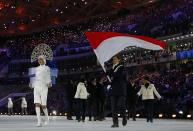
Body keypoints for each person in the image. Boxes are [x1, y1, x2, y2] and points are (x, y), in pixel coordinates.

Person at [30, 55, 52, 127]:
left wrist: (49, 83)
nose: (39, 60)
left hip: (44, 87)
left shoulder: (47, 68)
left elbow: (48, 76)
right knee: (37, 104)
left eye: (41, 59)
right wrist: (32, 85)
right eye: (38, 60)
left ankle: (47, 118)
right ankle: (39, 122)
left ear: (44, 60)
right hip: (36, 87)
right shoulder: (36, 68)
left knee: (43, 106)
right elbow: (35, 78)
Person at [108, 56, 127, 128]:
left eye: (115, 59)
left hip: (121, 90)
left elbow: (118, 75)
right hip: (113, 90)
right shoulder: (111, 68)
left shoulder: (122, 67)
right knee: (113, 108)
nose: (114, 60)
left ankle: (124, 116)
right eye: (113, 59)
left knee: (120, 105)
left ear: (119, 60)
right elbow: (112, 76)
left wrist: (109, 73)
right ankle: (115, 123)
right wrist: (108, 73)